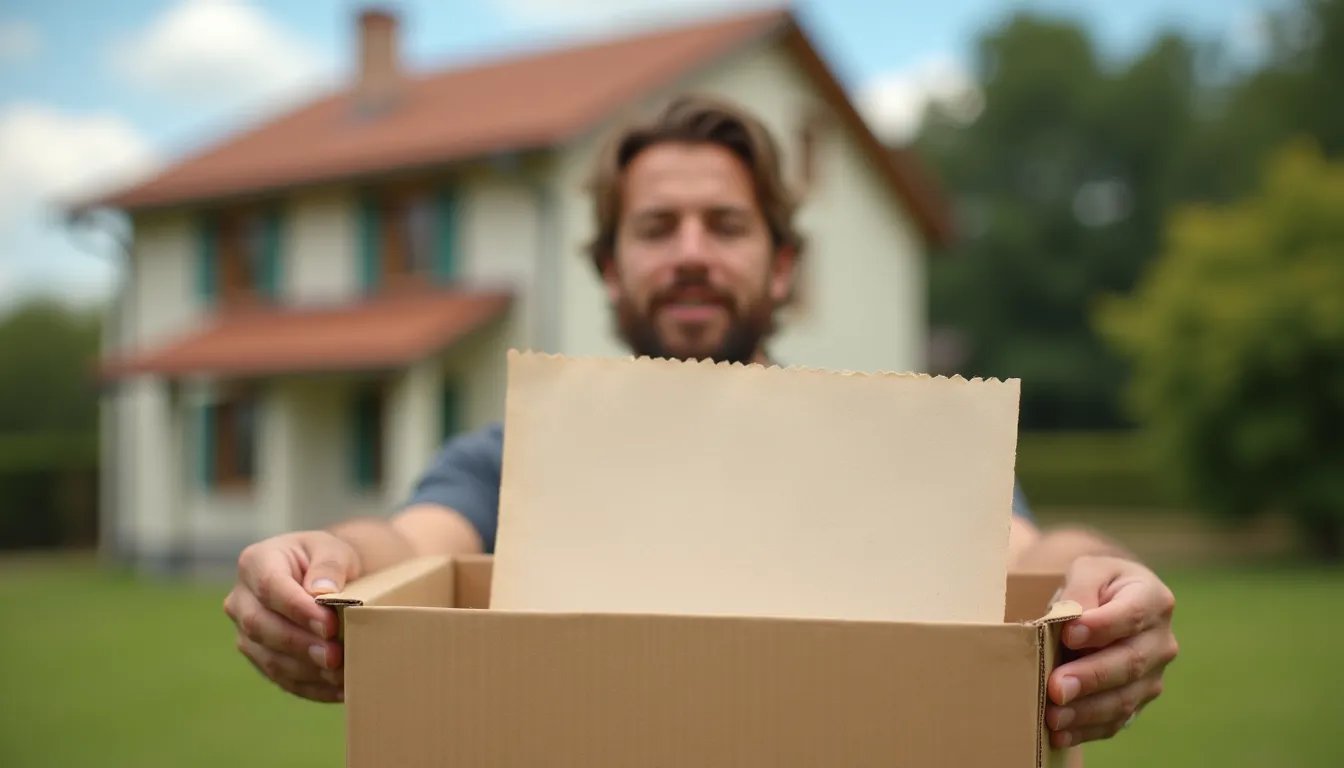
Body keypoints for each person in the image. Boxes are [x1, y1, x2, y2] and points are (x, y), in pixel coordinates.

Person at [223, 95, 1177, 749]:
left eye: (724, 225)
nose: (690, 253)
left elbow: (1032, 553)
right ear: (608, 268)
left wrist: (1105, 580)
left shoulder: (897, 448)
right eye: (654, 227)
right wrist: (322, 558)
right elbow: (403, 539)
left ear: (783, 265)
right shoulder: (520, 452)